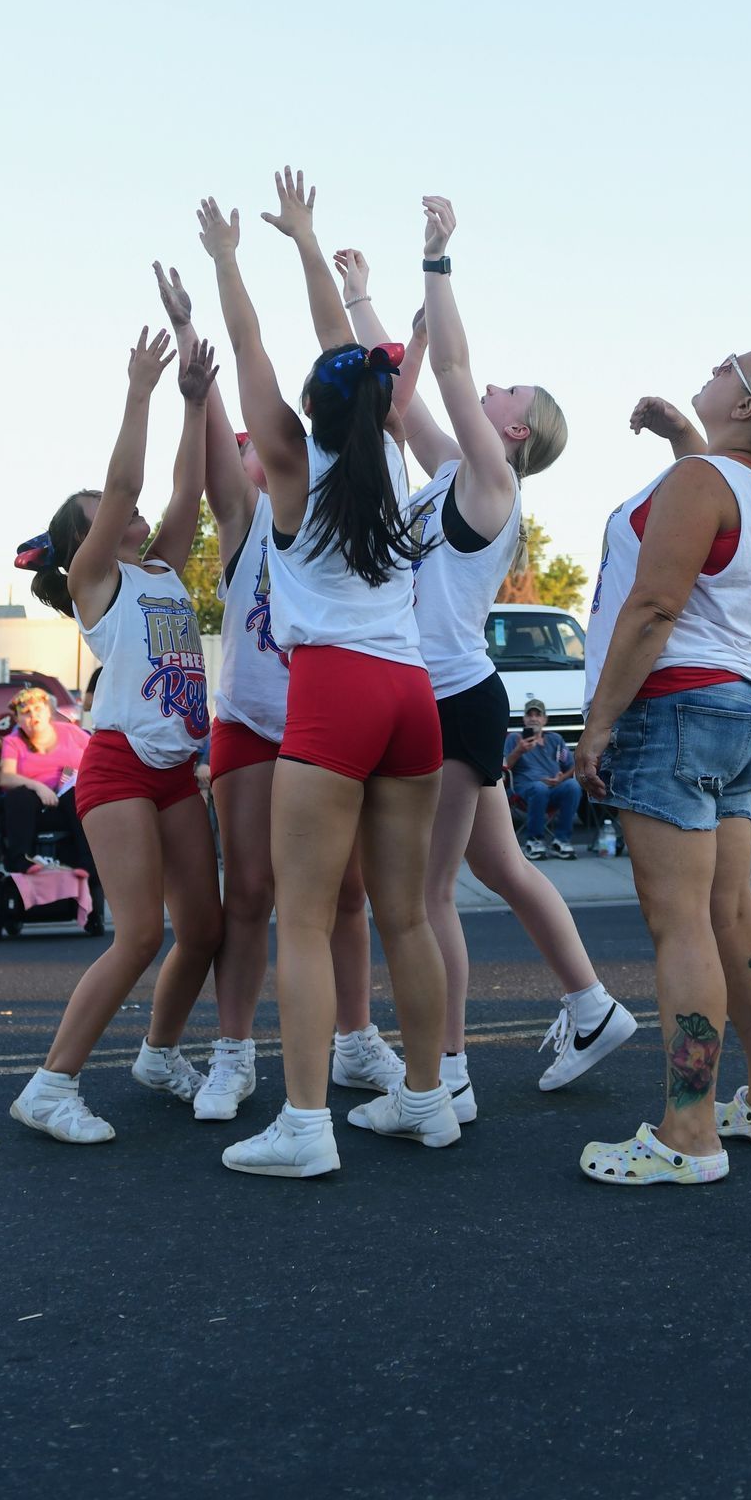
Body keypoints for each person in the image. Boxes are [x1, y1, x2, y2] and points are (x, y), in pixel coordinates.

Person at [338, 198, 635, 1122]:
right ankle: (591, 1006)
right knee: (504, 870)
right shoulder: (446, 480)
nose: (491, 388)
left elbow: (453, 366)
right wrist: (362, 303)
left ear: (513, 432)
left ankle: (448, 1074)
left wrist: (438, 258)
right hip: (464, 698)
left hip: (451, 703)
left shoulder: (492, 484)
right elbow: (407, 398)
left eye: (509, 393)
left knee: (427, 900)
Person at [203, 197, 459, 1178]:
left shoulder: (286, 461)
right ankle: (428, 1101)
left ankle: (306, 1127)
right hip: (410, 695)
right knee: (402, 916)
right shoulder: (389, 454)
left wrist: (231, 254)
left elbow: (250, 337)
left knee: (303, 918)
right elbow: (334, 342)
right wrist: (309, 244)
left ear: (311, 407)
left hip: (335, 693)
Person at [572, 350, 751, 1188]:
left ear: (747, 398)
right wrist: (684, 435)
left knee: (682, 921)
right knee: (731, 912)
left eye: (727, 364)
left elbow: (656, 605)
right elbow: (715, 508)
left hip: (676, 708)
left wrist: (598, 724)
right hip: (743, 707)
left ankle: (689, 1133)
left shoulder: (701, 477)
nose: (713, 365)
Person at [152, 230, 405, 1125]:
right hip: (257, 722)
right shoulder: (246, 512)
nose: (252, 444)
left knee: (346, 892)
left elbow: (291, 371)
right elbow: (224, 382)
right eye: (246, 442)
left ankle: (355, 1038)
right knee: (251, 892)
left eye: (260, 439)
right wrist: (191, 337)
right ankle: (231, 1052)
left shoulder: (328, 488)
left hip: (330, 717)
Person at [8, 323, 226, 1147]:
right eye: (109, 513)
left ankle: (159, 1055)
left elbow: (187, 494)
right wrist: (140, 390)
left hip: (175, 771)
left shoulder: (162, 569)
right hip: (119, 768)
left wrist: (195, 404)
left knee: (203, 929)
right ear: (84, 544)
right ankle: (51, 1084)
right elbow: (129, 478)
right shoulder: (95, 581)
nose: (130, 514)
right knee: (138, 932)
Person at [0, 688, 93, 871]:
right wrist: (38, 787)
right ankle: (22, 860)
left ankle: (89, 865)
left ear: (48, 712)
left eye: (38, 709)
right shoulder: (12, 741)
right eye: (26, 713)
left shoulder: (71, 732)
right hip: (34, 810)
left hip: (71, 804)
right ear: (17, 719)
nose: (33, 715)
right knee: (19, 795)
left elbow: (97, 755)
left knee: (78, 793)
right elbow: (6, 777)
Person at [507, 700, 580, 858]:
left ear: (545, 719)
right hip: (524, 790)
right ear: (524, 719)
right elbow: (504, 767)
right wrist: (519, 751)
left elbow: (572, 766)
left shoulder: (555, 739)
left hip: (554, 788)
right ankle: (534, 841)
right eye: (530, 715)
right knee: (539, 788)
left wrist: (562, 778)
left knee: (573, 785)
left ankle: (561, 841)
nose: (533, 718)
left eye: (538, 715)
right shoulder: (514, 739)